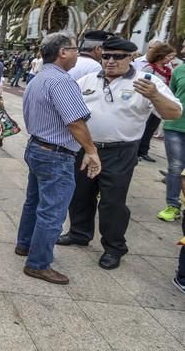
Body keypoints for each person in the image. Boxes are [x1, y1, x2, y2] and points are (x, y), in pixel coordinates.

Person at [57, 37, 181, 269]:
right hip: (86, 148)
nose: (111, 61)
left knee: (112, 202)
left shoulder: (146, 81)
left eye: (118, 56)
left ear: (131, 57)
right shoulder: (87, 79)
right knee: (80, 194)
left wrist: (154, 95)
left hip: (120, 151)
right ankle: (79, 233)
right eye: (106, 56)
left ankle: (114, 247)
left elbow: (173, 113)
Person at [16, 31, 102, 285]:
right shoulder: (61, 81)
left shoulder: (39, 78)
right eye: (75, 49)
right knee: (52, 211)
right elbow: (75, 122)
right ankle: (38, 262)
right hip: (55, 153)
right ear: (62, 52)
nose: (78, 53)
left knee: (34, 202)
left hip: (38, 147)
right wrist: (91, 150)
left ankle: (25, 244)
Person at [138, 43, 178, 162]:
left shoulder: (168, 70)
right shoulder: (149, 68)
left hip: (159, 103)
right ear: (161, 55)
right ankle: (136, 151)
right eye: (169, 56)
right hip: (148, 102)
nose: (171, 59)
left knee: (151, 128)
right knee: (144, 126)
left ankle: (144, 151)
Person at [160, 41, 185, 222]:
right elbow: (172, 96)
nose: (182, 50)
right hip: (175, 127)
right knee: (175, 168)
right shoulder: (179, 70)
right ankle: (173, 205)